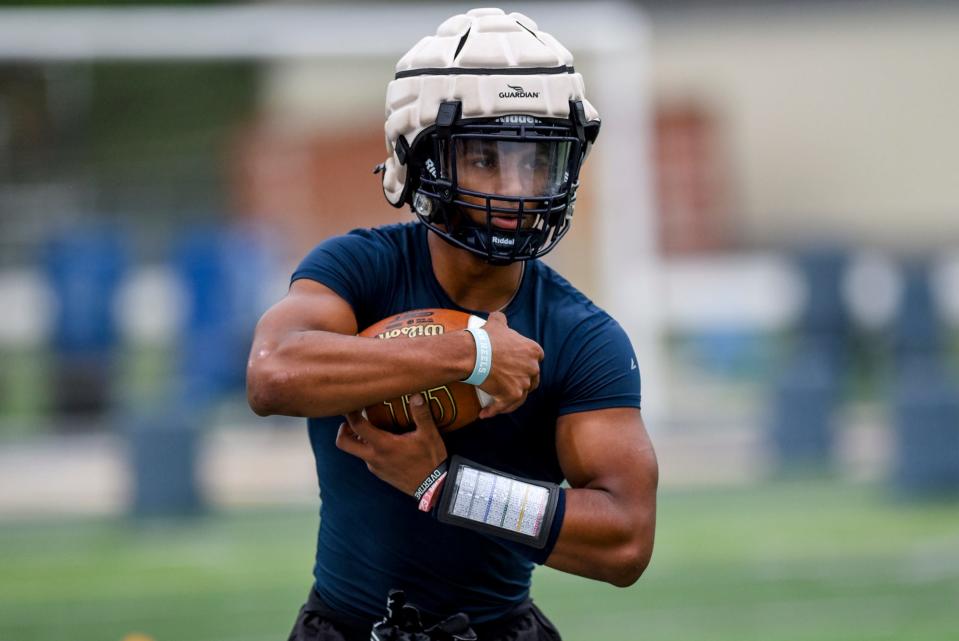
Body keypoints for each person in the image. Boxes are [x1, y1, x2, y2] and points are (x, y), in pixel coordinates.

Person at [246, 8, 658, 641]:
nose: (518, 188)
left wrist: (445, 487)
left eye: (538, 159)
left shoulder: (581, 334)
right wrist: (470, 354)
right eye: (487, 159)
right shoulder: (359, 268)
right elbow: (273, 373)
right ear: (418, 156)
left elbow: (626, 539)